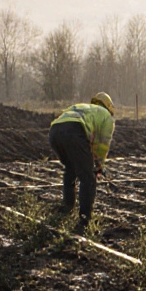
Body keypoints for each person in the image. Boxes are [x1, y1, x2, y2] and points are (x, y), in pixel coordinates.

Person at [49, 92, 115, 230]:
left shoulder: (84, 108)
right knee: (88, 178)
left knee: (71, 169)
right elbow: (102, 145)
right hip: (74, 131)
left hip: (55, 132)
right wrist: (98, 165)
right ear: (109, 106)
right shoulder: (106, 116)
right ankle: (84, 219)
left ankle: (67, 208)